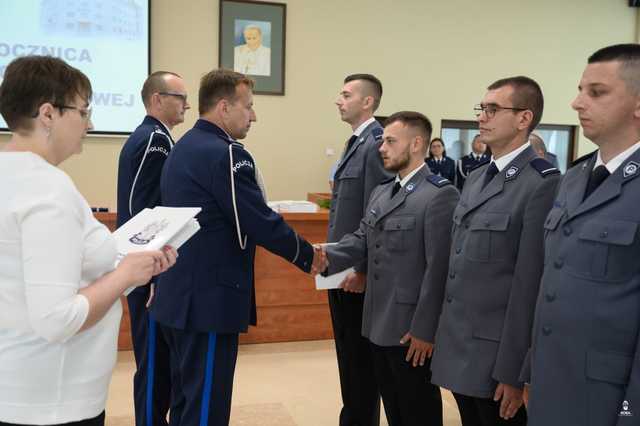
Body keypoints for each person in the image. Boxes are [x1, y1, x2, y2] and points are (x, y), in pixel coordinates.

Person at [0, 56, 176, 426]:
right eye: (82, 111)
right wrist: (126, 274)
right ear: (47, 115)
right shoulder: (48, 191)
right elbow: (56, 319)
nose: (90, 123)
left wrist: (129, 262)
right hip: (51, 400)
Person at [150, 69, 324, 426]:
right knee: (206, 408)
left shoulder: (181, 148)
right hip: (210, 302)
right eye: (249, 107)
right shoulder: (227, 154)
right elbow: (258, 219)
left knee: (185, 400)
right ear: (225, 107)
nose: (254, 116)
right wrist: (307, 256)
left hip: (177, 295)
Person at [430, 76, 561, 426]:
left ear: (524, 119)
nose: (481, 117)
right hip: (459, 341)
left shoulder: (542, 183)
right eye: (481, 109)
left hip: (497, 354)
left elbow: (529, 283)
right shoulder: (476, 178)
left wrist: (514, 368)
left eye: (492, 109)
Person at [523, 43, 640, 426]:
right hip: (552, 380)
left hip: (609, 397)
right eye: (579, 89)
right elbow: (550, 284)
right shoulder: (574, 178)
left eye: (596, 92)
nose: (576, 103)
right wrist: (531, 368)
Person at [322, 111, 458, 426]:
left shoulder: (439, 194)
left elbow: (439, 269)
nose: (382, 148)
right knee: (394, 407)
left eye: (391, 141)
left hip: (411, 330)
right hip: (376, 322)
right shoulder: (382, 192)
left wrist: (426, 329)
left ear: (416, 144)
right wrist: (317, 257)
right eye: (383, 140)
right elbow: (361, 240)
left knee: (417, 410)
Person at [116, 71, 190, 426]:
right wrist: (151, 273)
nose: (187, 104)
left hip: (149, 266)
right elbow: (143, 211)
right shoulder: (154, 141)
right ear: (157, 99)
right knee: (154, 363)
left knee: (161, 362)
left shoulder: (156, 137)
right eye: (179, 97)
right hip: (147, 268)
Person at [328, 73, 392, 426]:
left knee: (358, 361)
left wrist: (363, 267)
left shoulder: (376, 143)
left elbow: (377, 210)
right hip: (342, 265)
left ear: (368, 101)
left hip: (355, 270)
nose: (339, 100)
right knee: (347, 356)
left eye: (346, 94)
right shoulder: (356, 142)